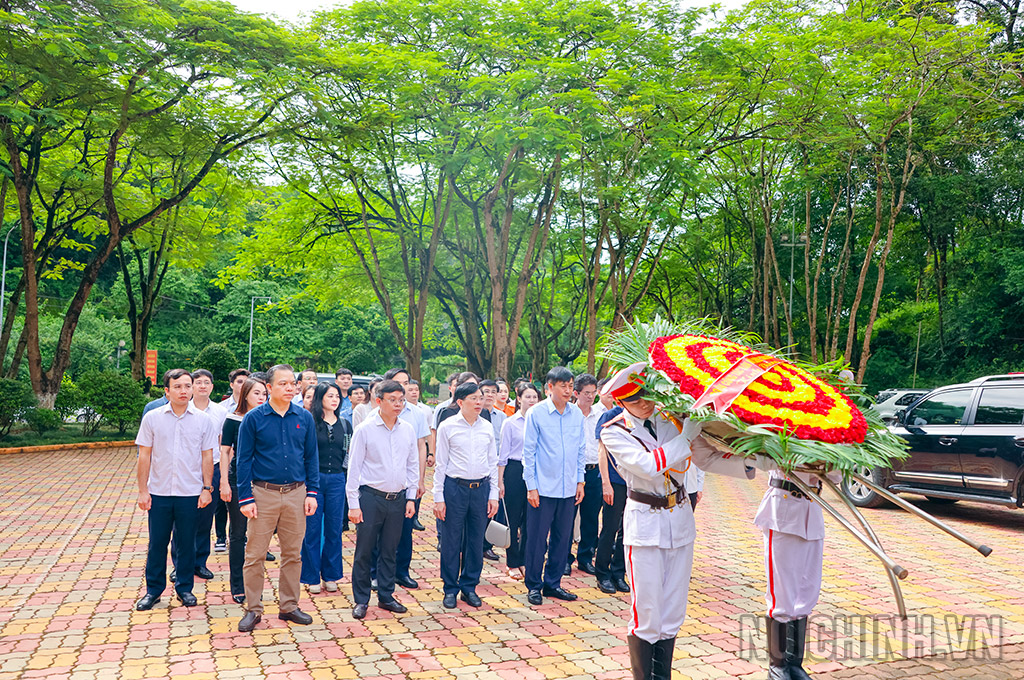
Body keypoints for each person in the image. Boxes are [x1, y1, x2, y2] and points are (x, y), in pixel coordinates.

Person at [599, 362, 774, 680]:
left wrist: (752, 459)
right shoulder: (613, 432)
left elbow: (704, 458)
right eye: (635, 400)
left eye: (647, 396)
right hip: (645, 525)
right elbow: (649, 465)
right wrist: (686, 435)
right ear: (621, 402)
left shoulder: (671, 420)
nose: (645, 404)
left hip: (679, 519)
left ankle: (662, 676)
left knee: (673, 609)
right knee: (648, 610)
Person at [235, 364, 320, 632]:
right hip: (263, 494)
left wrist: (312, 492)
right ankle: (253, 608)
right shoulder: (254, 418)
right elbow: (243, 459)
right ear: (269, 387)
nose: (289, 387)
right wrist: (245, 497)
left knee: (293, 554)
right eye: (282, 383)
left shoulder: (304, 417)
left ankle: (289, 606)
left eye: (292, 383)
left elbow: (311, 457)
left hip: (296, 493)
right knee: (255, 554)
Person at [134, 369, 218, 610]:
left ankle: (184, 589)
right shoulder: (153, 417)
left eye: (187, 386)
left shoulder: (204, 420)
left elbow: (206, 457)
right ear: (167, 390)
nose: (184, 391)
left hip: (190, 492)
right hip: (159, 492)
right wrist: (143, 490)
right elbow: (145, 456)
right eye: (178, 386)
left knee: (186, 542)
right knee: (157, 543)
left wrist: (206, 489)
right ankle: (153, 591)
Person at [757, 467, 839, 680]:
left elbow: (836, 478)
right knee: (782, 593)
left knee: (806, 591)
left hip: (812, 509)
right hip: (784, 510)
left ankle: (794, 664)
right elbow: (768, 460)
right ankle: (778, 666)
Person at [346, 380, 419, 619]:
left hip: (397, 499)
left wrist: (411, 498)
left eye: (401, 400)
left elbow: (412, 464)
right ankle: (361, 599)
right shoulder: (365, 429)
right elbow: (353, 469)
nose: (398, 404)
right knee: (365, 551)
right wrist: (353, 504)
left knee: (390, 549)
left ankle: (386, 596)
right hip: (370, 498)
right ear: (379, 401)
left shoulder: (407, 429)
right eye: (393, 400)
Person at [522, 367, 586, 606]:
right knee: (537, 539)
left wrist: (580, 480)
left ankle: (553, 584)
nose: (568, 390)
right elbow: (528, 452)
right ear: (549, 387)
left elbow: (581, 450)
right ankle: (534, 585)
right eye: (563, 386)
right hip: (543, 488)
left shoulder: (577, 414)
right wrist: (531, 486)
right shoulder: (536, 413)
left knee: (563, 539)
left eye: (570, 386)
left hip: (569, 487)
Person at [433, 382, 499, 608]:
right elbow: (440, 465)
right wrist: (438, 498)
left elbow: (493, 462)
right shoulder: (448, 426)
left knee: (476, 540)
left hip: (480, 490)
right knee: (452, 540)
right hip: (455, 489)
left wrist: (494, 495)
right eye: (474, 398)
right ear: (460, 402)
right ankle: (450, 588)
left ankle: (469, 587)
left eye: (481, 398)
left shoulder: (487, 427)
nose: (479, 402)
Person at [170, 369, 228, 583]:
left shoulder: (220, 412)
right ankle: (179, 564)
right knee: (182, 521)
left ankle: (199, 562)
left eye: (207, 382)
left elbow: (224, 445)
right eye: (198, 382)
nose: (202, 386)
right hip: (187, 469)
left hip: (211, 468)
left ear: (212, 387)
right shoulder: (183, 409)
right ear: (191, 387)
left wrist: (223, 476)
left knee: (205, 519)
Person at [219, 376, 267, 603]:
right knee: (238, 535)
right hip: (239, 482)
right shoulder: (233, 419)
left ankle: (254, 583)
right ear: (245, 393)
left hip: (265, 483)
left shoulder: (269, 419)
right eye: (256, 393)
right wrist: (224, 483)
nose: (261, 398)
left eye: (263, 394)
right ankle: (237, 585)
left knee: (259, 537)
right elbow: (225, 452)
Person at [302, 382, 353, 594]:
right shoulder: (309, 422)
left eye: (337, 396)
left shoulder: (344, 423)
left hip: (337, 480)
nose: (335, 399)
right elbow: (304, 454)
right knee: (312, 529)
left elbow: (348, 452)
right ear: (320, 398)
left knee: (334, 529)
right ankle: (311, 576)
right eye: (330, 395)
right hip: (313, 480)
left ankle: (331, 575)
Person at [498, 382, 540, 580]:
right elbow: (502, 455)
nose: (531, 400)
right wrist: (500, 481)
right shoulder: (510, 423)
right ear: (519, 399)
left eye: (534, 397)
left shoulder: (540, 422)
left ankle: (524, 559)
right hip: (514, 471)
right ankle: (512, 562)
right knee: (512, 519)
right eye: (528, 397)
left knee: (530, 520)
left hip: (536, 472)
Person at [568, 373, 603, 576]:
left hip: (594, 471)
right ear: (576, 393)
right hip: (572, 472)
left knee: (591, 517)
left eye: (593, 393)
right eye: (586, 393)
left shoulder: (600, 415)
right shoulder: (569, 414)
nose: (590, 397)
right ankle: (564, 558)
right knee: (567, 517)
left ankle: (585, 557)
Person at [595, 403, 630, 595]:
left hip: (634, 482)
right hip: (614, 481)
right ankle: (602, 574)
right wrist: (606, 483)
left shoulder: (643, 416)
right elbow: (602, 451)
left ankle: (619, 573)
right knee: (610, 528)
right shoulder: (610, 415)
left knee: (628, 529)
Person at [406, 379, 434, 532]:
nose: (414, 392)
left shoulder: (424, 410)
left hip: (418, 453)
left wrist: (431, 452)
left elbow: (428, 433)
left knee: (418, 485)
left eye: (416, 389)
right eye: (411, 389)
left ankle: (415, 515)